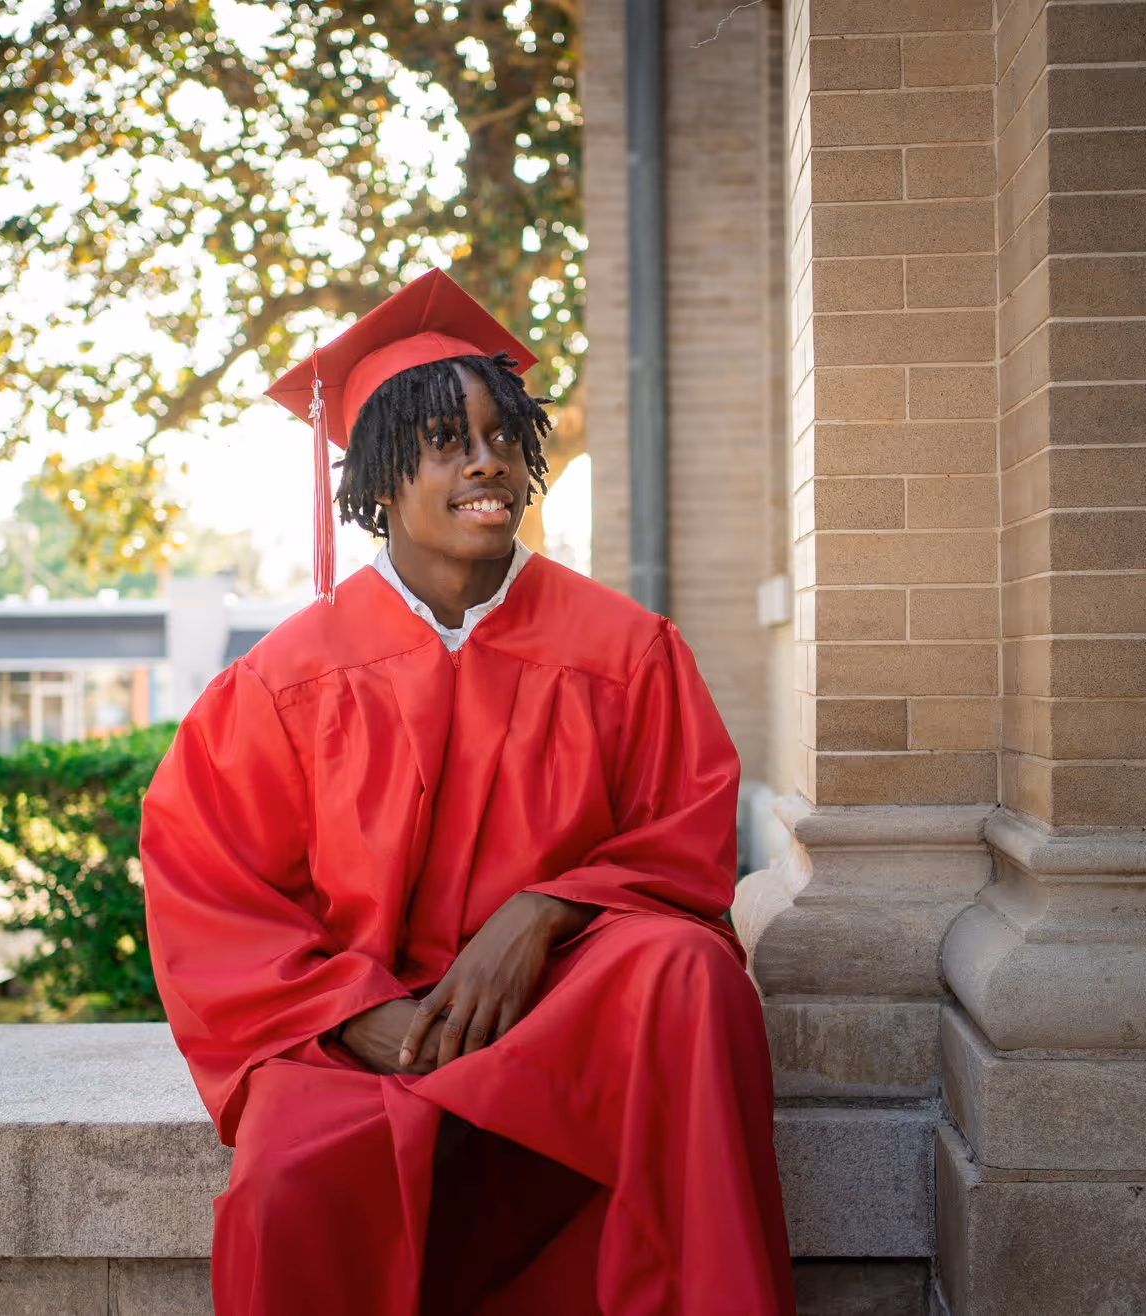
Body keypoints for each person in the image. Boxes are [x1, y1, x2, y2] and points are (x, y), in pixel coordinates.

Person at [142, 269, 793, 1314]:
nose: (485, 460)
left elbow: (682, 841)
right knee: (290, 1178)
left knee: (683, 969)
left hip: (558, 1004)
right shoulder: (282, 683)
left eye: (500, 435)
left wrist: (544, 911)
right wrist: (355, 1014)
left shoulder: (621, 651)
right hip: (359, 1025)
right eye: (446, 440)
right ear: (379, 478)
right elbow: (210, 890)